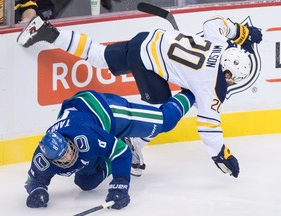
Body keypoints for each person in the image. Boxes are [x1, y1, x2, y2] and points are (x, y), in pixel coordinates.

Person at [17, 15, 262, 178]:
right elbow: (209, 127)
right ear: (228, 71)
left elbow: (213, 23)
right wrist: (221, 155)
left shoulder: (219, 42)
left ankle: (49, 33)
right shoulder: (211, 86)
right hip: (147, 63)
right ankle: (133, 144)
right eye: (231, 78)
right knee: (158, 115)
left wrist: (242, 32)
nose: (229, 83)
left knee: (100, 55)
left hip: (148, 39)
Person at [24, 89, 195, 209]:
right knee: (86, 183)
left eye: (68, 149)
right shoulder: (42, 159)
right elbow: (33, 181)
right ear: (51, 159)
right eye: (62, 158)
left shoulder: (86, 138)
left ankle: (192, 91)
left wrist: (119, 185)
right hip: (92, 127)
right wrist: (38, 192)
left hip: (106, 111)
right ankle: (122, 142)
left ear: (67, 141)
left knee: (165, 121)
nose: (69, 156)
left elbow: (121, 153)